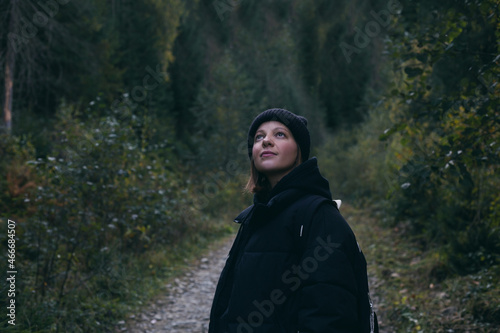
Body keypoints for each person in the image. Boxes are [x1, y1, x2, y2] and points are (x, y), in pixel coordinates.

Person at [208, 108, 378, 333]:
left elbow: (329, 314)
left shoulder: (320, 216)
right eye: (259, 137)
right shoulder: (254, 217)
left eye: (280, 134)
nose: (266, 141)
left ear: (299, 149)